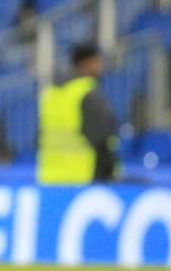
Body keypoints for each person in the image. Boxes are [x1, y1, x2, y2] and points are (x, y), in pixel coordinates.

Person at [38, 44, 120, 184]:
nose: (101, 67)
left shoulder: (50, 92)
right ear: (87, 62)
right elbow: (102, 137)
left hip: (50, 178)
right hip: (84, 177)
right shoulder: (87, 92)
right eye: (98, 62)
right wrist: (110, 170)